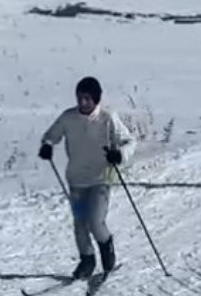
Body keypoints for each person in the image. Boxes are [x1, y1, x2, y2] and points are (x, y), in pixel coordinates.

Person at [39, 76, 135, 279]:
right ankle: (87, 260)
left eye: (87, 99)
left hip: (101, 178)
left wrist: (119, 155)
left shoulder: (108, 118)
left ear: (96, 99)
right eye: (80, 98)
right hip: (76, 180)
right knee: (80, 222)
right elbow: (51, 135)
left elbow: (129, 141)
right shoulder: (68, 117)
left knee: (95, 221)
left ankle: (106, 246)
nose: (82, 103)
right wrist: (47, 145)